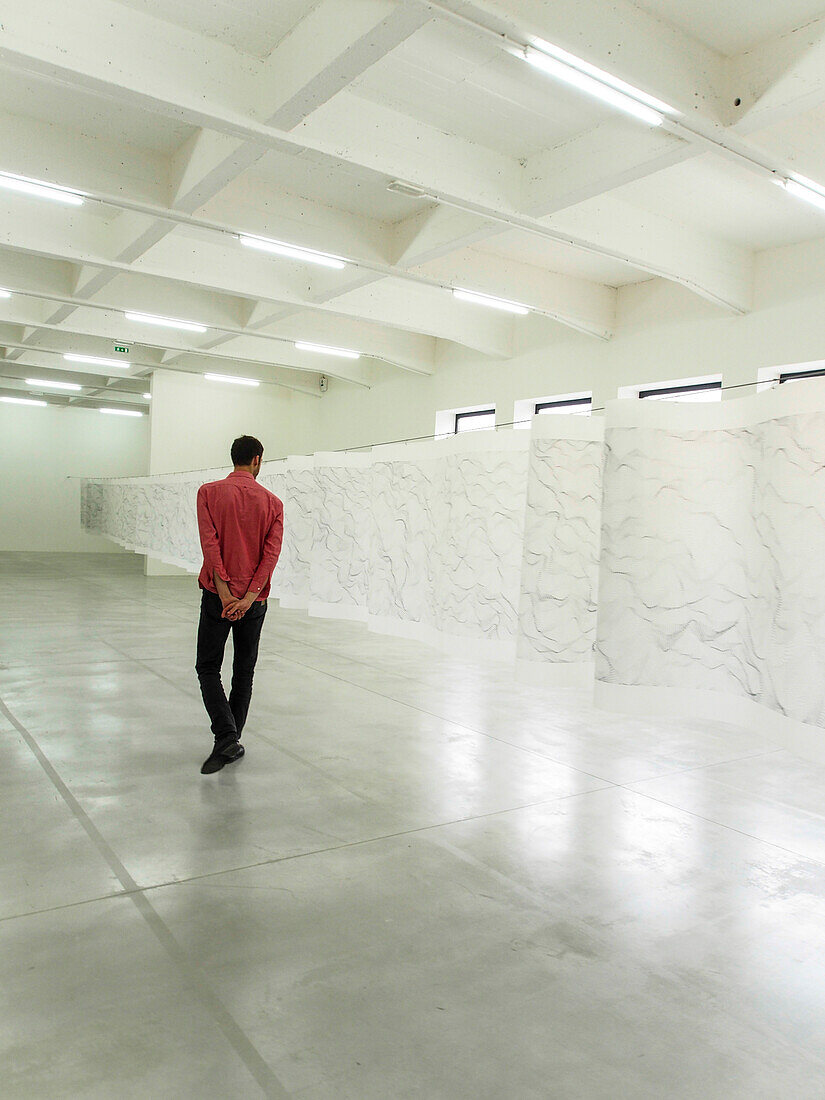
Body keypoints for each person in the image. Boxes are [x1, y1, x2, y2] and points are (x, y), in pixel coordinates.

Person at [195, 435, 283, 774]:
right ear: (257, 460)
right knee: (243, 671)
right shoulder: (273, 503)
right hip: (253, 603)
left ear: (234, 458)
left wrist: (226, 593)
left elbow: (210, 544)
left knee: (208, 667)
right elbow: (270, 555)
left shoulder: (208, 493)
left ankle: (226, 736)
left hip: (218, 598)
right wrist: (248, 597)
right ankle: (230, 738)